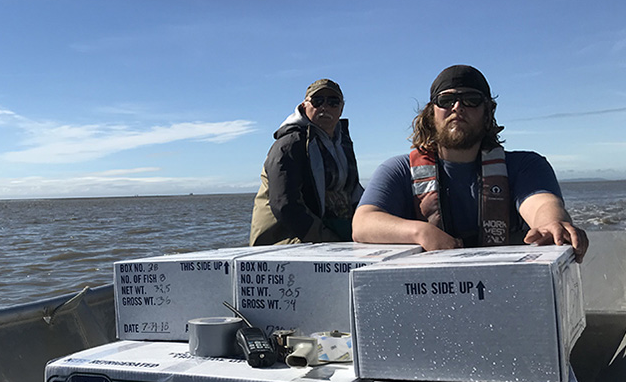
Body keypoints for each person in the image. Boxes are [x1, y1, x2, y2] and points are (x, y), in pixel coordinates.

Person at [352, 65, 588, 262]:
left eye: (471, 100)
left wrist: (551, 224)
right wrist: (420, 231)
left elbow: (540, 204)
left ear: (487, 113)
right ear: (431, 114)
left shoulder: (525, 165)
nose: (458, 107)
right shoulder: (398, 171)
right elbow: (363, 224)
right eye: (446, 100)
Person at [250, 79, 364, 245]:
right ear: (304, 107)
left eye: (333, 102)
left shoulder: (343, 144)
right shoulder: (289, 145)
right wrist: (328, 240)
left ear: (341, 109)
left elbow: (354, 192)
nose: (325, 107)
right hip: (286, 237)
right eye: (317, 101)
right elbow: (285, 204)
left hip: (333, 231)